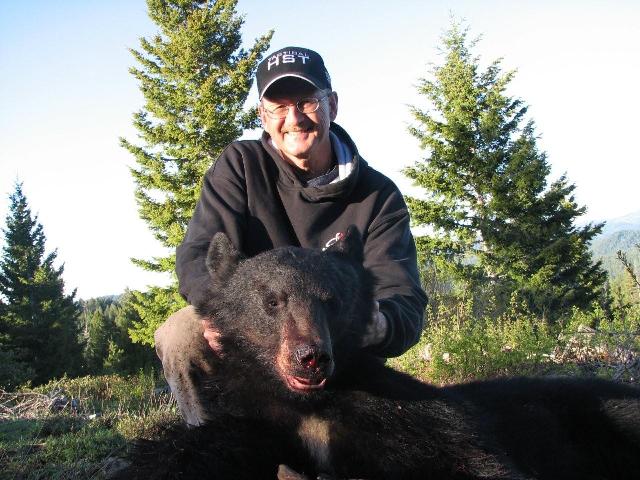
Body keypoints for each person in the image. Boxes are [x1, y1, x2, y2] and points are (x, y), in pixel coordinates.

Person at [154, 46, 427, 426]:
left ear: (332, 104)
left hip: (341, 361)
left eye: (306, 102)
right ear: (262, 117)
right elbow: (201, 253)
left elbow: (404, 298)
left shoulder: (377, 196)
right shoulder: (240, 167)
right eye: (278, 107)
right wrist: (218, 310)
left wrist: (379, 324)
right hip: (261, 350)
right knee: (183, 333)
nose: (294, 119)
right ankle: (214, 443)